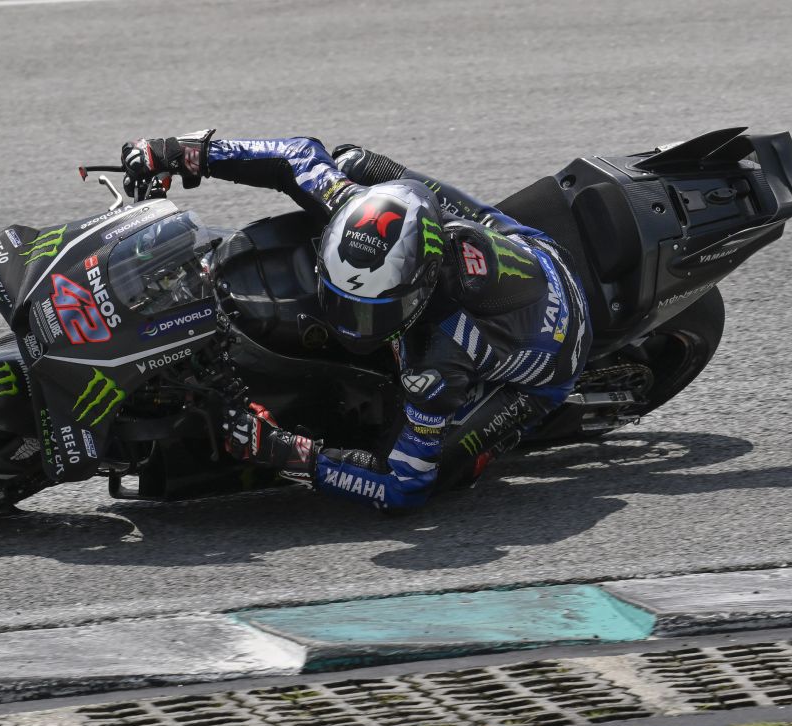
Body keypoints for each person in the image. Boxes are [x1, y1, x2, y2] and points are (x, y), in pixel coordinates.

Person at [120, 131, 592, 510]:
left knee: (438, 471)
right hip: (520, 241)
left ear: (419, 290)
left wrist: (294, 454)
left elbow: (403, 484)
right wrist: (186, 153)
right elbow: (295, 156)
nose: (350, 324)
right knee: (352, 163)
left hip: (552, 362)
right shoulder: (352, 204)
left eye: (370, 311)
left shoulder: (439, 358)